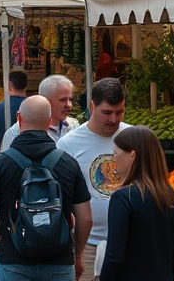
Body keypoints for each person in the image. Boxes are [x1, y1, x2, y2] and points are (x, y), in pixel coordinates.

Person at [0, 96, 92, 281]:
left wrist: (6, 233)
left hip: (14, 261)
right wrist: (77, 256)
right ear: (49, 121)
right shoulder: (68, 163)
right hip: (59, 261)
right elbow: (85, 219)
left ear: (19, 117)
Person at [56, 78, 129, 280]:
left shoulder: (133, 137)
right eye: (106, 112)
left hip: (129, 242)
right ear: (92, 106)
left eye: (119, 112)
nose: (113, 119)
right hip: (86, 246)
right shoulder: (68, 145)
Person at [99, 126, 174, 281]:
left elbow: (115, 258)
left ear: (132, 155)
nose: (113, 159)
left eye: (115, 153)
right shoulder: (171, 196)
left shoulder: (124, 197)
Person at [1, 74, 80, 152]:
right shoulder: (17, 132)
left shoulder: (74, 127)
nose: (69, 105)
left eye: (70, 100)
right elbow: (6, 162)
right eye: (63, 100)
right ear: (46, 100)